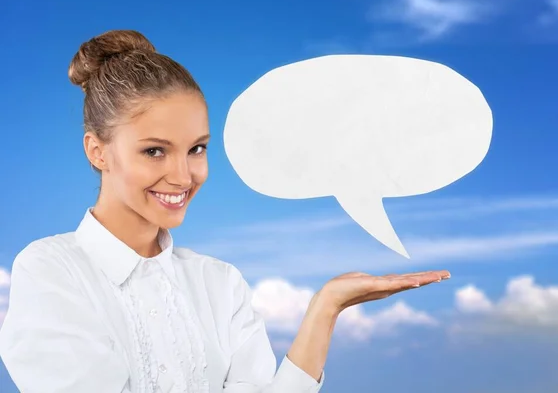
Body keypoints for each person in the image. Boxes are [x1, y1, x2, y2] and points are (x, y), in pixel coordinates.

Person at [0, 30, 450, 393]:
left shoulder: (219, 282)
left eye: (196, 149)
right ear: (97, 151)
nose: (183, 176)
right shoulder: (51, 272)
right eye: (155, 151)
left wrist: (325, 308)